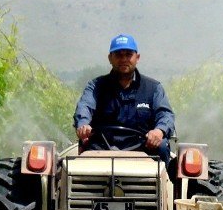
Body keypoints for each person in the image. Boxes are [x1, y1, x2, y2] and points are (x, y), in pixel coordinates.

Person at [74, 34, 175, 162]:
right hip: (102, 147)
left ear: (137, 58)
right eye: (118, 55)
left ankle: (161, 180)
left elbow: (165, 114)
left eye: (128, 54)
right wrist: (83, 124)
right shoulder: (96, 86)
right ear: (110, 58)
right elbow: (85, 106)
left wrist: (159, 131)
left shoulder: (153, 88)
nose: (124, 59)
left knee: (161, 145)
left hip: (142, 148)